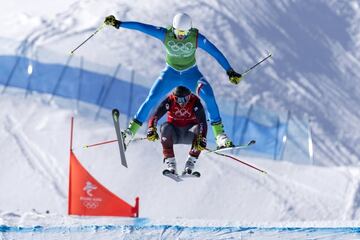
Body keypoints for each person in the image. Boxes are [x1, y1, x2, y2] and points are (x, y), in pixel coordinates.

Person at [104, 13, 242, 148]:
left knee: (210, 96)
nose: (182, 35)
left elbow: (215, 52)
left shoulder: (196, 38)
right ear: (173, 28)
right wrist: (119, 23)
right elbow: (142, 27)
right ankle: (130, 132)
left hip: (191, 74)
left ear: (190, 30)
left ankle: (220, 136)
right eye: (179, 32)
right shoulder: (165, 35)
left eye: (185, 33)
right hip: (170, 73)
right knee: (152, 98)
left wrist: (229, 71)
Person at [147, 86, 207, 175]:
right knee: (165, 127)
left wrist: (202, 138)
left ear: (189, 96)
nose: (181, 103)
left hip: (189, 133)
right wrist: (151, 128)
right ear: (174, 97)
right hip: (174, 134)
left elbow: (202, 122)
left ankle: (190, 163)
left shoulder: (195, 102)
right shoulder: (169, 101)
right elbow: (155, 116)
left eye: (184, 99)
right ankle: (171, 164)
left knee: (198, 129)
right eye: (178, 99)